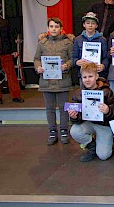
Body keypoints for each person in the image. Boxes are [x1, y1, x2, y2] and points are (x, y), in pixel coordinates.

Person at [34, 17, 75, 145]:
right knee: (49, 108)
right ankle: (52, 131)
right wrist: (38, 67)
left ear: (61, 29)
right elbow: (36, 58)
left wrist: (67, 65)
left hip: (63, 81)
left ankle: (64, 131)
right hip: (46, 82)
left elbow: (73, 58)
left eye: (56, 27)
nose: (54, 29)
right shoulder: (42, 43)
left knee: (63, 108)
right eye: (51, 26)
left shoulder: (68, 43)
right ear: (48, 29)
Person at [68, 63, 114, 162]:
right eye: (84, 77)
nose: (87, 79)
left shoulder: (107, 91)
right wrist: (74, 116)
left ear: (96, 76)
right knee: (74, 131)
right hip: (88, 123)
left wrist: (108, 111)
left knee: (103, 156)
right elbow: (76, 121)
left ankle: (106, 144)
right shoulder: (77, 93)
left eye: (90, 76)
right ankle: (92, 146)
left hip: (104, 125)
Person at [73, 12, 108, 80]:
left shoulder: (102, 40)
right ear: (84, 25)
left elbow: (106, 57)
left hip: (98, 74)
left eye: (93, 23)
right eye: (88, 23)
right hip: (83, 75)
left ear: (96, 26)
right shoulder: (78, 39)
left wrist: (103, 66)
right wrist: (77, 62)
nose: (90, 25)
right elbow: (74, 57)